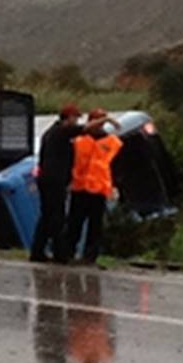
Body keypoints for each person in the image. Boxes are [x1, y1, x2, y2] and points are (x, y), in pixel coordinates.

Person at [30, 103, 115, 263]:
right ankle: (59, 255)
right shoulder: (62, 132)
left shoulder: (51, 133)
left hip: (53, 180)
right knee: (57, 217)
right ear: (68, 118)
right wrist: (107, 119)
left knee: (48, 216)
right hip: (58, 182)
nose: (76, 121)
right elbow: (85, 128)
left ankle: (38, 252)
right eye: (75, 118)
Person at [58, 108, 123, 265]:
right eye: (96, 120)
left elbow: (117, 167)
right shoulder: (77, 140)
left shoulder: (113, 143)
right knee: (74, 224)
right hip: (79, 188)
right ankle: (68, 254)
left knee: (95, 227)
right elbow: (69, 162)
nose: (98, 125)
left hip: (99, 190)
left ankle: (90, 257)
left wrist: (116, 186)